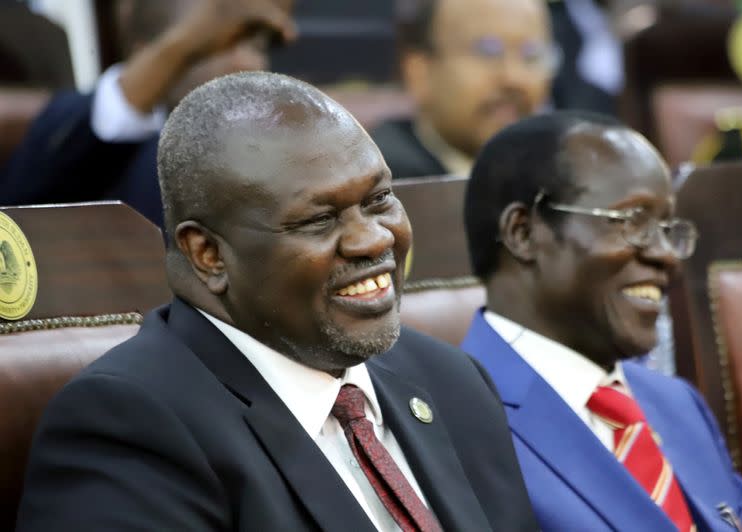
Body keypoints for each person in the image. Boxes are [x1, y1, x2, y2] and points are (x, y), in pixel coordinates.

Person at [15, 72, 539, 532]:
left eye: (379, 200)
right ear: (208, 254)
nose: (373, 240)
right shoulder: (129, 426)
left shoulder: (451, 380)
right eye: (319, 220)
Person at [460, 111, 742, 531]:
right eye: (632, 221)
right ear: (524, 233)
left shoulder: (675, 403)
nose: (666, 254)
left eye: (667, 228)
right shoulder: (459, 419)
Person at [0, 0, 295, 228]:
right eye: (211, 47)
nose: (246, 61)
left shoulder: (279, 153)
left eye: (255, 45)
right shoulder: (82, 146)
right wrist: (185, 42)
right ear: (147, 53)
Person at [370, 0, 558, 179]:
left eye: (531, 55)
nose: (514, 78)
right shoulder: (377, 189)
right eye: (488, 51)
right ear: (419, 73)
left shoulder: (563, 176)